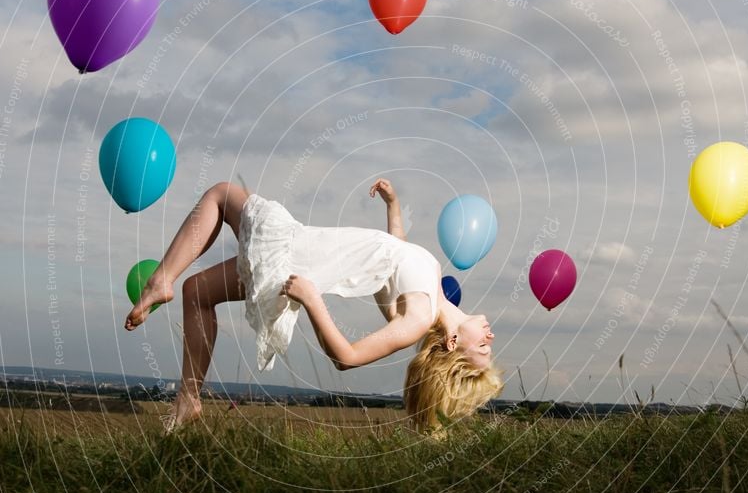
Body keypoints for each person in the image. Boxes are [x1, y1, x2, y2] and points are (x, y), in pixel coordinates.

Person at [124, 179, 504, 433]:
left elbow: (348, 356)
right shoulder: (430, 296)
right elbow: (398, 252)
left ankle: (160, 281)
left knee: (221, 195)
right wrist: (394, 205)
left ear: (453, 343)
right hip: (294, 259)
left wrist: (311, 300)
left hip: (295, 255)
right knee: (197, 292)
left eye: (483, 346)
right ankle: (188, 400)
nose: (490, 335)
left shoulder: (419, 318)